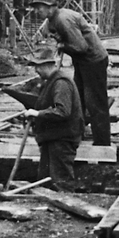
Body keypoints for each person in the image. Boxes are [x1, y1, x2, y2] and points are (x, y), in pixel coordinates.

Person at [29, 0, 111, 146]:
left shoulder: (63, 19)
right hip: (82, 62)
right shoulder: (50, 21)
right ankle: (75, 136)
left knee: (95, 102)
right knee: (78, 100)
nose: (37, 11)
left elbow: (81, 47)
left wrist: (60, 45)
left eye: (39, 7)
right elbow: (48, 38)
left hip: (94, 61)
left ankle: (103, 143)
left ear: (50, 7)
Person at [22, 47, 84, 191]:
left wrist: (37, 114)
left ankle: (68, 208)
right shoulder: (50, 82)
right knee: (45, 182)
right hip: (52, 138)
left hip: (62, 140)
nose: (36, 70)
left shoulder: (61, 83)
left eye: (37, 66)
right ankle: (48, 210)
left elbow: (62, 111)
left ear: (46, 65)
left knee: (61, 181)